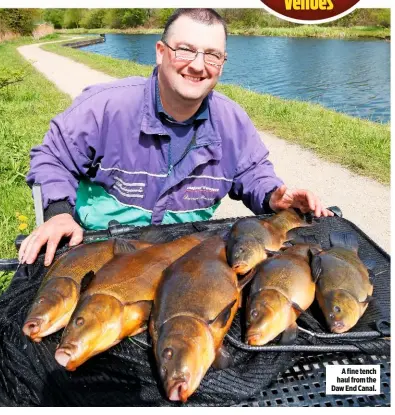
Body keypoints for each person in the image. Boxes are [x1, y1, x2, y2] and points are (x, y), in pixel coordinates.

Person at [19, 8, 333, 267]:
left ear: (222, 65)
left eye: (212, 55)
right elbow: (52, 157)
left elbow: (252, 172)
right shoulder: (106, 106)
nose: (198, 65)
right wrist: (58, 216)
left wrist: (273, 195)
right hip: (99, 247)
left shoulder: (232, 120)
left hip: (184, 255)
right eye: (185, 49)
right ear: (160, 52)